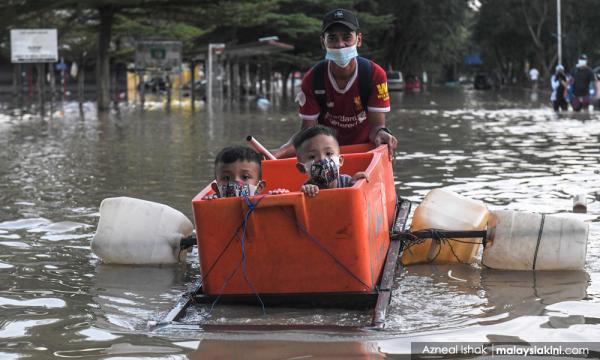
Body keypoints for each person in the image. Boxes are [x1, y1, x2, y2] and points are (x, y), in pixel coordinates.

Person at [272, 8, 397, 160]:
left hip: (365, 151)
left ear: (358, 39)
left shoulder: (374, 74)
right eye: (332, 38)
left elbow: (376, 126)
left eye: (346, 37)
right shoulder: (313, 79)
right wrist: (280, 152)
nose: (340, 45)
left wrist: (381, 133)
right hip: (327, 156)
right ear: (322, 42)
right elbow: (307, 132)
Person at [293, 125, 368, 197]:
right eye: (312, 156)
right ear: (302, 168)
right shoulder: (307, 190)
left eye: (328, 153)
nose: (322, 159)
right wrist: (307, 195)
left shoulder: (347, 182)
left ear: (340, 161)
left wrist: (358, 185)